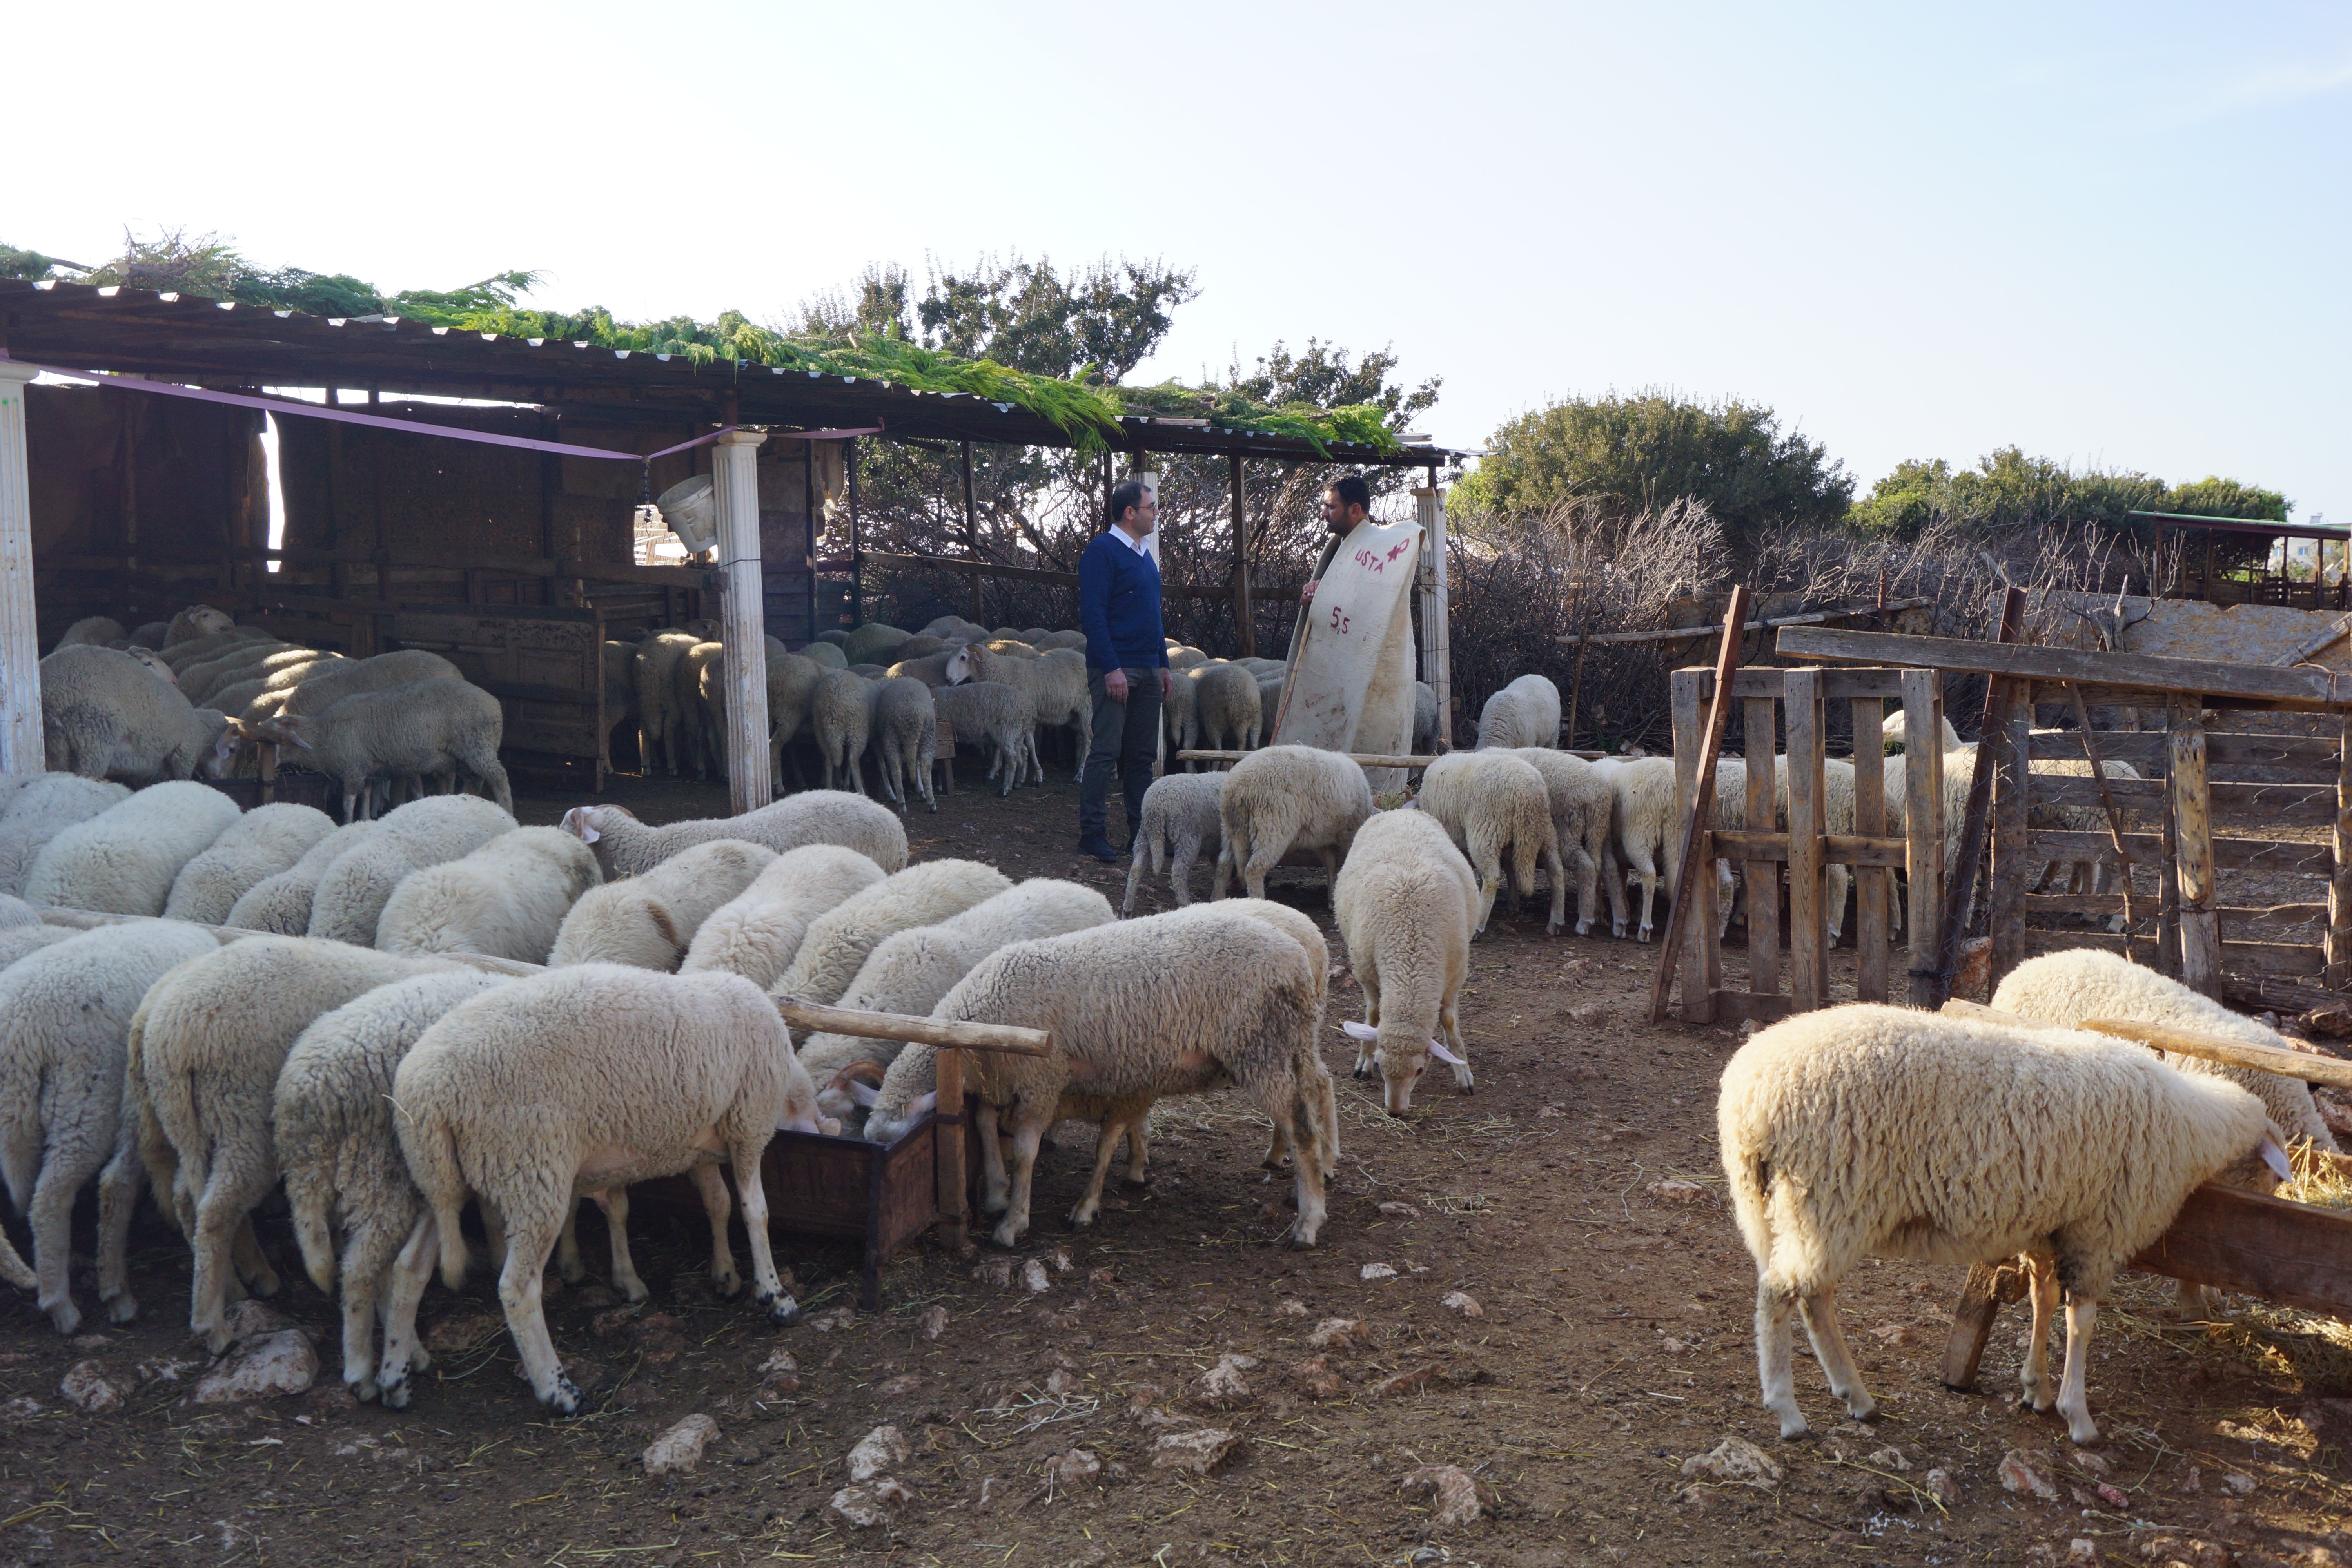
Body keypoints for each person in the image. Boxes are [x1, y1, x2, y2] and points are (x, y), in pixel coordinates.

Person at [1075, 477, 1173, 862]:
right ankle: (1092, 833)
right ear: (1130, 512)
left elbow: (1153, 614)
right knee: (1106, 750)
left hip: (1148, 668)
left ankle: (1141, 833)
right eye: (1151, 508)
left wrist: (1162, 663)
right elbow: (1094, 616)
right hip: (1117, 668)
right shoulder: (1103, 552)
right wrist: (1112, 669)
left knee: (1141, 756)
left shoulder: (1145, 554)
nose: (1156, 515)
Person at [1298, 473, 1372, 608]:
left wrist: (1328, 588)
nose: (1324, 514)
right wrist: (1311, 594)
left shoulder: (1381, 550)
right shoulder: (1336, 546)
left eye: (1331, 507)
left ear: (1355, 510)